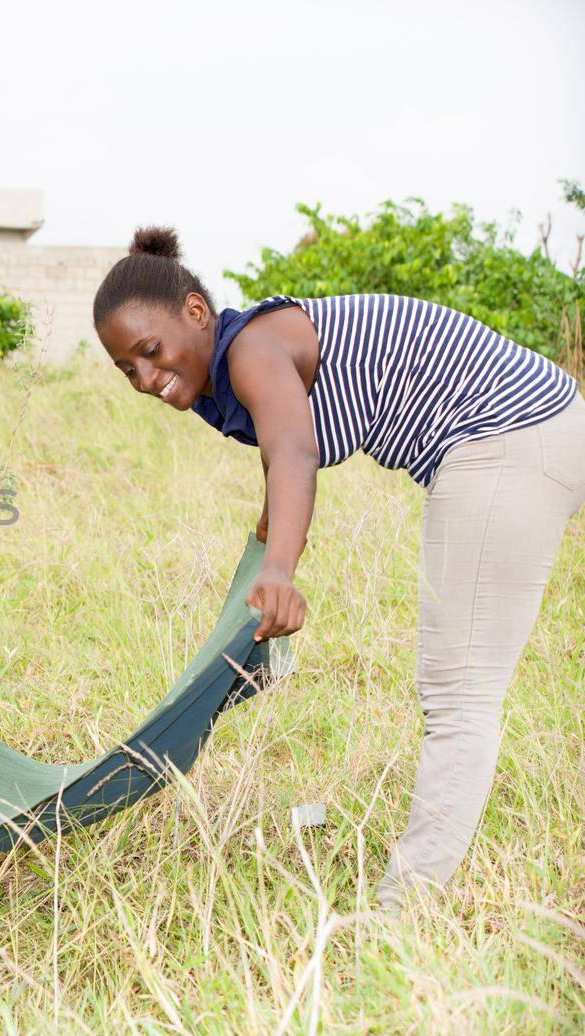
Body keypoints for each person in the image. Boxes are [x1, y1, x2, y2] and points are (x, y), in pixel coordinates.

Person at [90, 227, 585, 910]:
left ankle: (403, 914)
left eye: (150, 351)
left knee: (459, 693)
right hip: (532, 427)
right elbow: (278, 446)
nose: (146, 378)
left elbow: (294, 450)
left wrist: (283, 570)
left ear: (196, 312)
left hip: (506, 437)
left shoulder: (253, 350)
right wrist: (268, 529)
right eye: (127, 369)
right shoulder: (231, 365)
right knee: (460, 688)